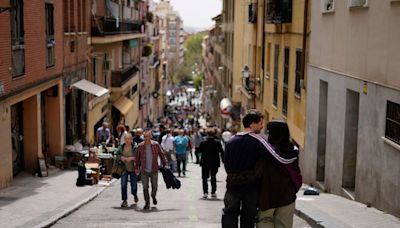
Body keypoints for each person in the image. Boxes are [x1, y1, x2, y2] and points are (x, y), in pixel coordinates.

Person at [221, 110, 267, 228]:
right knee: (249, 215)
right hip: (251, 185)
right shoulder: (259, 142)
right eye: (260, 123)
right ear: (252, 124)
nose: (262, 126)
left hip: (233, 183)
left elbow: (227, 163)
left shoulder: (231, 141)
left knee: (230, 212)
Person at [136, 129, 168, 210]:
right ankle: (147, 203)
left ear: (151, 136)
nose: (146, 138)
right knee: (145, 187)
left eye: (148, 136)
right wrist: (136, 168)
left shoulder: (156, 145)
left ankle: (153, 196)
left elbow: (161, 154)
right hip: (144, 170)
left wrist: (165, 163)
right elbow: (137, 159)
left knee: (155, 186)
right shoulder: (140, 146)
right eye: (145, 136)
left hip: (154, 169)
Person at [198, 128, 224, 198]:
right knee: (213, 177)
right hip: (214, 162)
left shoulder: (203, 143)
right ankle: (213, 192)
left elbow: (199, 151)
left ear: (207, 134)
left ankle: (205, 192)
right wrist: (223, 160)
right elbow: (222, 152)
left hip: (205, 162)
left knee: (204, 178)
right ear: (214, 134)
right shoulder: (218, 143)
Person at [115, 133, 138, 207]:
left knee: (134, 185)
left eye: (129, 139)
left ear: (131, 140)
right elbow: (117, 154)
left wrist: (132, 158)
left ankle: (134, 194)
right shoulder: (121, 147)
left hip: (133, 168)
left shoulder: (135, 147)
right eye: (126, 139)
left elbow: (139, 156)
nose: (127, 141)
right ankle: (124, 200)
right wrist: (121, 158)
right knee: (123, 184)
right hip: (124, 168)